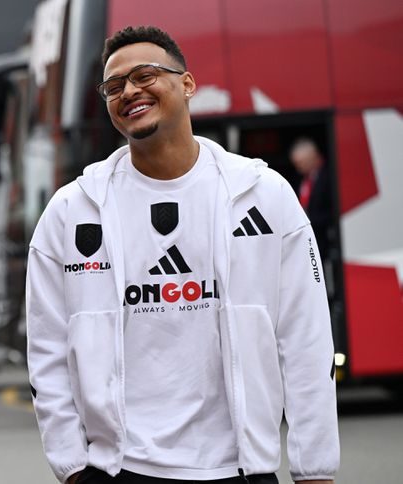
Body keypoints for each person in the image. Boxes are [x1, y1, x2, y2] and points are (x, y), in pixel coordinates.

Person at [26, 26, 338, 484]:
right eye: (114, 86)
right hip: (119, 470)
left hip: (240, 469)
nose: (129, 91)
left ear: (188, 84)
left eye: (145, 75)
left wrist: (316, 470)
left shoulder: (263, 195)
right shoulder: (71, 212)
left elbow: (306, 339)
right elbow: (46, 350)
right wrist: (73, 468)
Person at [289, 138, 333, 257]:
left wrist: (308, 220)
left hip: (324, 237)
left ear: (312, 157)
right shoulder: (301, 179)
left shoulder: (329, 175)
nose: (298, 168)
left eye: (300, 163)